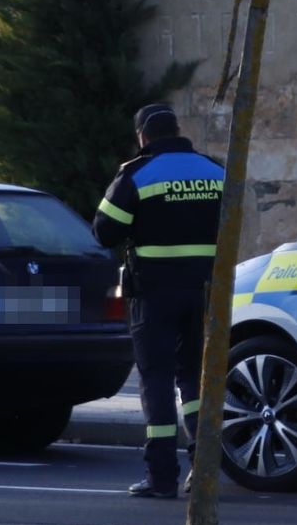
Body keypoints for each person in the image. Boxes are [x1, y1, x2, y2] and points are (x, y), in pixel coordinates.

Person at [92, 103, 225, 498]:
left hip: (154, 294)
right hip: (206, 294)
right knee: (195, 379)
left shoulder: (136, 174)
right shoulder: (216, 170)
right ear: (178, 129)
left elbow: (104, 232)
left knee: (157, 381)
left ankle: (162, 476)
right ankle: (203, 472)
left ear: (143, 136)